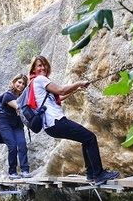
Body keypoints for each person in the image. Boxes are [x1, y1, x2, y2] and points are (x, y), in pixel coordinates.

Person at [28, 55, 119, 184]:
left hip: (50, 126)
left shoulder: (34, 83)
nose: (43, 67)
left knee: (85, 139)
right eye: (39, 65)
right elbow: (61, 90)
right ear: (33, 69)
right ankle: (98, 174)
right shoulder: (40, 80)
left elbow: (58, 98)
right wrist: (79, 83)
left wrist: (76, 89)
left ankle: (91, 174)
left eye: (44, 65)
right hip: (56, 121)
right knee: (90, 137)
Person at [0, 74, 30, 179]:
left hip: (17, 125)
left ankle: (25, 170)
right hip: (4, 123)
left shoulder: (23, 96)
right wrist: (21, 109)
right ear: (14, 82)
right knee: (13, 146)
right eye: (19, 82)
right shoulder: (8, 95)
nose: (21, 85)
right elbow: (17, 106)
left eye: (23, 84)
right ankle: (12, 172)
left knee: (22, 144)